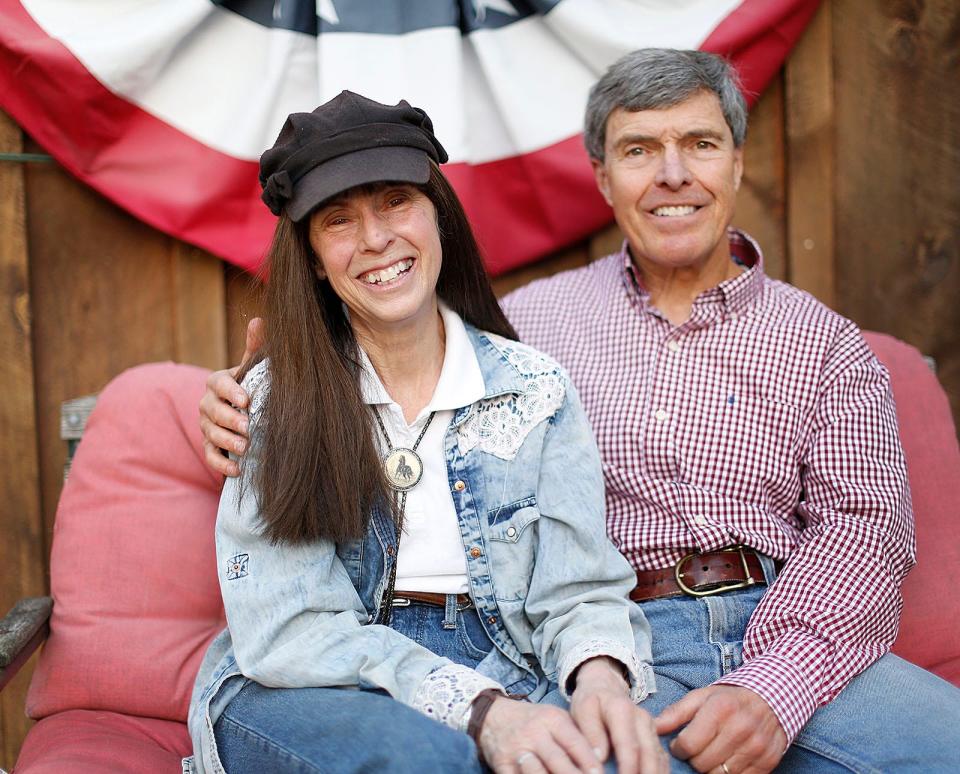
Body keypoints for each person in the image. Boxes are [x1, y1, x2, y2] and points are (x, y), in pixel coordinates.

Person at [199, 51, 960, 772]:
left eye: (699, 143)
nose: (672, 175)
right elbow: (387, 339)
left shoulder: (828, 346)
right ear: (601, 175)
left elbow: (864, 534)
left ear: (737, 161)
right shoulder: (537, 324)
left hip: (773, 618)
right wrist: (245, 387)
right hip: (631, 628)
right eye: (637, 150)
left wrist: (775, 686)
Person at [184, 90, 669, 774]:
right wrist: (476, 710)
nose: (377, 238)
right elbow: (288, 631)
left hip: (504, 656)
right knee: (424, 756)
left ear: (438, 215)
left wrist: (598, 678)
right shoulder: (268, 403)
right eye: (338, 220)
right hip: (312, 679)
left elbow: (577, 591)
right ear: (315, 259)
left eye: (394, 201)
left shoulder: (534, 389)